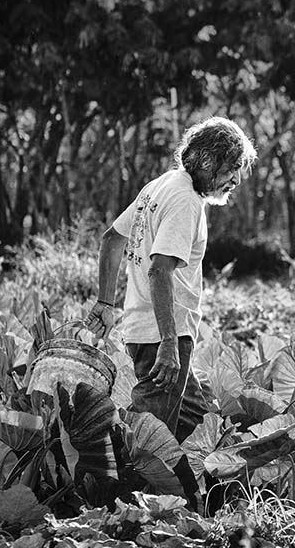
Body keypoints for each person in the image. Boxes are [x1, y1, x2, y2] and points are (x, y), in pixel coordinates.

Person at [84, 116, 256, 440]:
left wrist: (105, 303)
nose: (236, 179)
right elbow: (160, 270)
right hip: (161, 335)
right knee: (143, 440)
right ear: (207, 160)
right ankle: (101, 478)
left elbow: (112, 239)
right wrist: (168, 343)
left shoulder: (160, 185)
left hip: (141, 329)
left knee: (200, 419)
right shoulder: (186, 200)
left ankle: (198, 487)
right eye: (232, 167)